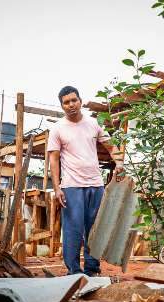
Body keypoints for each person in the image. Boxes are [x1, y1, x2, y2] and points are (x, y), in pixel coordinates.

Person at [47, 85, 124, 276]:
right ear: (62, 106)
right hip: (72, 186)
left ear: (80, 101)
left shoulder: (93, 124)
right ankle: (73, 271)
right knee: (73, 231)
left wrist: (119, 163)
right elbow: (54, 161)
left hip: (95, 184)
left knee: (94, 229)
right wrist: (57, 188)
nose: (71, 104)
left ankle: (92, 269)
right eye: (66, 102)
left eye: (74, 100)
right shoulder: (57, 128)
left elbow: (111, 146)